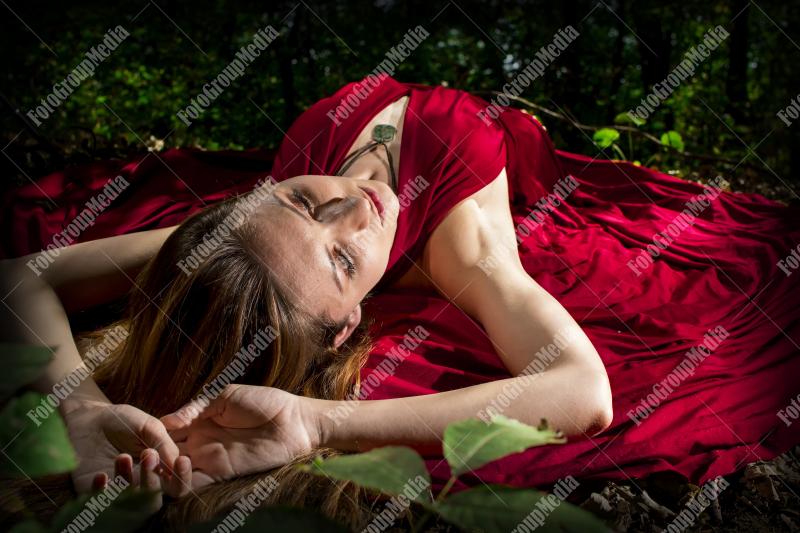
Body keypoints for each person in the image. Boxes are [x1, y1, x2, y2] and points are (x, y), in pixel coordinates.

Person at [0, 75, 612, 525]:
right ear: (348, 324)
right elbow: (583, 392)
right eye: (344, 262)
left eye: (302, 202)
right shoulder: (461, 245)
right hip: (501, 132)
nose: (354, 204)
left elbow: (15, 276)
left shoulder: (243, 229)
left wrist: (74, 407)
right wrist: (318, 422)